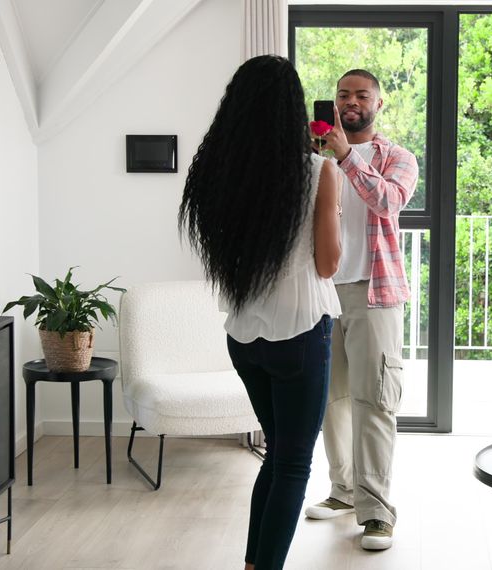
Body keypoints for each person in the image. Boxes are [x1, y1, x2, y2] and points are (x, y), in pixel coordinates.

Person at [178, 54, 342, 570]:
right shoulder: (317, 170)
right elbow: (328, 262)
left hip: (245, 338)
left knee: (278, 455)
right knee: (293, 464)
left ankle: (254, 564)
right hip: (300, 332)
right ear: (292, 109)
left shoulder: (216, 178)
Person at [304, 69, 419, 551]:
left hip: (375, 292)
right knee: (331, 402)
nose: (351, 102)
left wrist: (345, 155)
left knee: (374, 401)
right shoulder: (312, 156)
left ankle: (377, 511)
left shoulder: (398, 158)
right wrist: (317, 157)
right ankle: (343, 491)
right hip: (319, 292)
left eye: (361, 95)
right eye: (343, 95)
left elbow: (387, 202)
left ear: (379, 103)